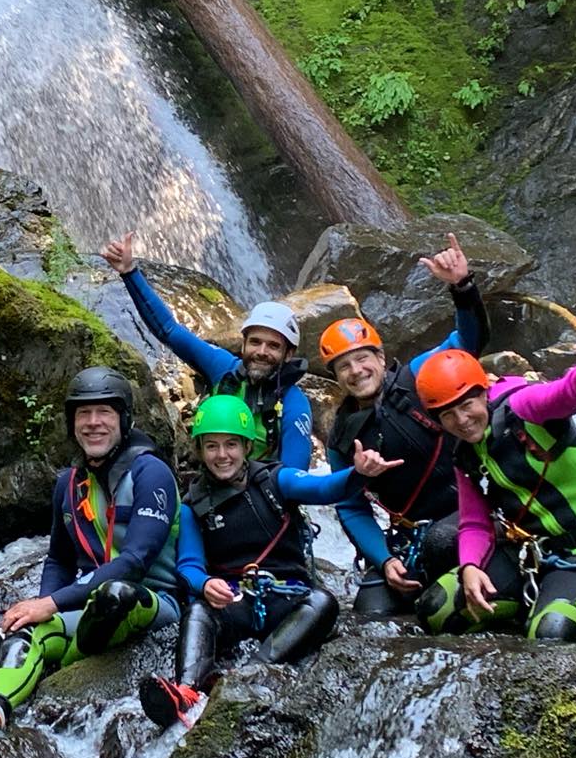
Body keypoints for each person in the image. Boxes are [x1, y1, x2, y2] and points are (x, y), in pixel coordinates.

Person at [0, 367, 180, 738]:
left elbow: (135, 561)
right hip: (91, 607)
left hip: (151, 602)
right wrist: (42, 606)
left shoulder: (152, 474)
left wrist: (52, 603)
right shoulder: (68, 484)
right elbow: (59, 559)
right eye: (83, 414)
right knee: (27, 626)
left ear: (123, 419)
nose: (93, 422)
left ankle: (60, 653)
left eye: (104, 412)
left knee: (114, 594)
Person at [413, 307, 576, 642]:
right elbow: (474, 522)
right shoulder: (465, 454)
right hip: (529, 554)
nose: (462, 420)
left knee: (551, 633)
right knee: (435, 610)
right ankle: (527, 600)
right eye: (448, 415)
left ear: (484, 392)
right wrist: (470, 567)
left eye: (467, 405)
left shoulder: (524, 407)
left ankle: (551, 602)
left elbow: (570, 392)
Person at [139, 395, 348, 729]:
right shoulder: (193, 504)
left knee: (323, 602)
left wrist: (359, 472)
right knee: (199, 610)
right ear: (200, 450)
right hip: (235, 601)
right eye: (212, 446)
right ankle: (186, 691)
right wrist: (206, 584)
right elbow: (189, 566)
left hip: (286, 598)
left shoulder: (275, 480)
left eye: (231, 444)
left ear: (247, 447)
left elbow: (324, 489)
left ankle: (251, 672)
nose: (222, 455)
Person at [321, 233, 490, 617]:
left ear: (381, 358)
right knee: (371, 610)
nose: (356, 370)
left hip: (471, 511)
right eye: (344, 366)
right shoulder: (342, 435)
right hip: (412, 533)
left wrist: (462, 288)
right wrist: (383, 560)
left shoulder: (419, 375)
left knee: (441, 543)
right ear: (335, 377)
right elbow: (351, 506)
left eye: (362, 358)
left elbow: (469, 343)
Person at [100, 230, 314, 470]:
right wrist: (130, 272)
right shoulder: (223, 369)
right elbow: (168, 330)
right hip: (212, 479)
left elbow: (295, 475)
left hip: (261, 489)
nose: (262, 351)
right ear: (243, 344)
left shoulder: (294, 404)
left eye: (273, 346)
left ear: (288, 354)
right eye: (255, 342)